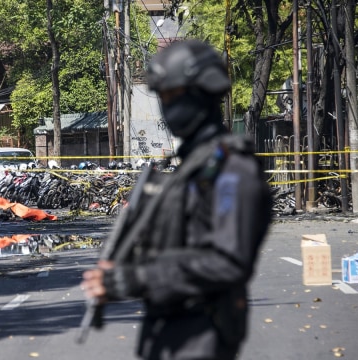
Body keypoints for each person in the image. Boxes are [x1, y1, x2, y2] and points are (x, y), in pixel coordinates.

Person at [81, 39, 272, 360]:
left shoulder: (232, 170)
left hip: (201, 338)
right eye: (163, 98)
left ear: (202, 94)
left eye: (173, 96)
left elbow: (227, 261)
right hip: (169, 334)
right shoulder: (193, 166)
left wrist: (135, 278)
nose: (167, 108)